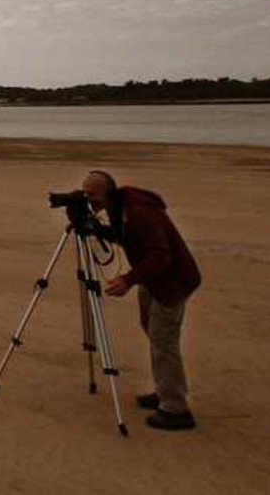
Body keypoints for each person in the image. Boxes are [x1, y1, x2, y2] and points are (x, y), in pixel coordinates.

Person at [81, 169, 202, 431]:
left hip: (173, 281)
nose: (89, 200)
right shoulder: (118, 208)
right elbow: (121, 236)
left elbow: (161, 256)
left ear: (108, 193)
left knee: (163, 339)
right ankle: (164, 390)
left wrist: (128, 279)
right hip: (154, 279)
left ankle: (175, 408)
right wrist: (91, 228)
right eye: (85, 194)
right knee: (153, 331)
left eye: (93, 195)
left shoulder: (140, 212)